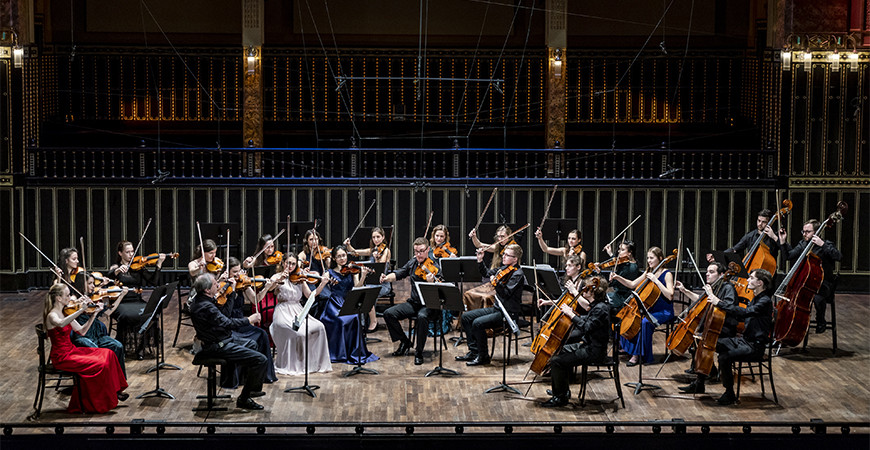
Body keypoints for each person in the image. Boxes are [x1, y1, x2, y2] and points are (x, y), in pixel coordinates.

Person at [42, 283, 128, 413]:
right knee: (100, 363)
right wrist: (80, 310)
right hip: (62, 357)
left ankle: (115, 391)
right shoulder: (52, 315)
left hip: (72, 351)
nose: (70, 297)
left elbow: (82, 331)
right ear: (59, 298)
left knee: (108, 354)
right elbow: (61, 324)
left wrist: (93, 314)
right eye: (68, 295)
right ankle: (97, 402)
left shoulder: (66, 312)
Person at [189, 273, 268, 411]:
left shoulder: (203, 300)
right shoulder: (205, 306)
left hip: (223, 339)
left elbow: (224, 315)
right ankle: (243, 399)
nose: (219, 285)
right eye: (215, 284)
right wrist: (249, 320)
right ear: (207, 290)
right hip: (217, 346)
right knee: (261, 360)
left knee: (253, 344)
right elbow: (227, 322)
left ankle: (251, 388)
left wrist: (231, 294)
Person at [705, 269, 774, 405]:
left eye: (751, 278)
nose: (747, 280)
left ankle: (729, 393)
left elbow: (746, 313)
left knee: (724, 357)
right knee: (711, 342)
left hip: (755, 346)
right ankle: (702, 380)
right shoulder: (756, 297)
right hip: (744, 341)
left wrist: (719, 302)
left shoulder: (765, 301)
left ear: (759, 283)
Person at [540, 276, 612, 407]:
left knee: (557, 361)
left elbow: (586, 328)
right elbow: (588, 319)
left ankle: (560, 398)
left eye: (586, 288)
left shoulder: (600, 309)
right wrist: (574, 314)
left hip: (594, 351)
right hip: (587, 346)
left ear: (593, 292)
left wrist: (571, 315)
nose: (583, 290)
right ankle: (561, 391)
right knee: (557, 351)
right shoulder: (597, 306)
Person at [456, 244, 526, 366]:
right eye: (504, 254)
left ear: (515, 259)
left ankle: (483, 356)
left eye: (507, 255)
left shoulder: (518, 274)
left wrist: (496, 283)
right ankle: (474, 352)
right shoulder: (504, 268)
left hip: (508, 313)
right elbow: (486, 273)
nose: (503, 256)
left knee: (477, 323)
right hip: (497, 309)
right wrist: (480, 261)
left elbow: (506, 293)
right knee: (466, 317)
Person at [674, 262, 739, 393]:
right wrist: (684, 290)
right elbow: (700, 301)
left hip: (724, 327)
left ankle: (701, 381)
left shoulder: (728, 288)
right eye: (707, 271)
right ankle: (707, 374)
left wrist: (714, 297)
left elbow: (731, 307)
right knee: (694, 338)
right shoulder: (714, 286)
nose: (707, 274)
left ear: (721, 275)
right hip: (713, 326)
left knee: (702, 342)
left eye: (711, 272)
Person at [267, 254, 333, 375]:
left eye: (293, 263)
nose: (290, 266)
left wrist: (322, 284)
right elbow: (270, 289)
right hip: (282, 311)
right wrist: (279, 280)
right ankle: (295, 364)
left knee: (320, 327)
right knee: (299, 332)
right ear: (283, 263)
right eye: (288, 263)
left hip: (298, 310)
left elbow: (310, 295)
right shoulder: (277, 276)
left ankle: (312, 363)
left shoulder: (299, 278)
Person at [217, 257, 277, 388]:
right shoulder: (221, 286)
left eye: (239, 271)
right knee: (251, 339)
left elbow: (256, 299)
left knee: (262, 334)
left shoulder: (242, 285)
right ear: (227, 272)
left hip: (241, 322)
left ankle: (262, 375)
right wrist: (223, 284)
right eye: (234, 272)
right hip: (229, 325)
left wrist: (266, 288)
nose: (238, 275)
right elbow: (221, 313)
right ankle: (238, 378)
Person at [380, 237, 442, 366]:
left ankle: (419, 352)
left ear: (428, 250)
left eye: (421, 251)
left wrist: (432, 283)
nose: (418, 255)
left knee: (422, 316)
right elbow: (399, 274)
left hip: (430, 306)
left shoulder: (435, 266)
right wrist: (386, 278)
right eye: (416, 251)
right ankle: (404, 341)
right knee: (388, 313)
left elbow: (441, 289)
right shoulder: (413, 263)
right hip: (414, 303)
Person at [609, 247, 675, 366]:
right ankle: (630, 350)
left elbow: (670, 295)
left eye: (652, 258)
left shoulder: (667, 274)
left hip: (663, 311)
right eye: (648, 258)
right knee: (625, 319)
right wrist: (617, 277)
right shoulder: (649, 272)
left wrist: (656, 281)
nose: (649, 260)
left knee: (644, 322)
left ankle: (639, 355)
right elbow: (632, 284)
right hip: (649, 309)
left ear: (660, 258)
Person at [778, 219, 842, 333]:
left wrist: (822, 244)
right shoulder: (803, 244)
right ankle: (794, 324)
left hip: (824, 284)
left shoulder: (826, 244)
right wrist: (783, 242)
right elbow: (788, 256)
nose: (804, 234)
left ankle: (820, 320)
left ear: (817, 232)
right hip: (806, 284)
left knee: (817, 296)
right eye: (803, 231)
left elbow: (839, 257)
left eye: (808, 231)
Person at [318, 245, 378, 364]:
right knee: (340, 321)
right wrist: (325, 280)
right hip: (334, 304)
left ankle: (354, 352)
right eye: (339, 256)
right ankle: (339, 353)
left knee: (354, 318)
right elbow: (322, 286)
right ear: (334, 259)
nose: (342, 258)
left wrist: (364, 275)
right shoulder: (329, 272)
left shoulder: (353, 271)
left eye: (344, 255)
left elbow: (357, 287)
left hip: (348, 302)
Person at [109, 240, 167, 359]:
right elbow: (110, 274)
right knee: (127, 316)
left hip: (136, 300)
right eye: (127, 252)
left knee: (153, 313)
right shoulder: (116, 267)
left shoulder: (138, 267)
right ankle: (122, 347)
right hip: (121, 302)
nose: (131, 254)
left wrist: (159, 264)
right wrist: (118, 271)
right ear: (120, 253)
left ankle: (141, 348)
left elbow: (154, 282)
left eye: (132, 251)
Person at [71, 275, 129, 376]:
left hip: (96, 334)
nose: (93, 286)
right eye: (89, 283)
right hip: (83, 337)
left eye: (93, 283)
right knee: (98, 351)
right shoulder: (74, 299)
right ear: (81, 284)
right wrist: (80, 305)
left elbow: (108, 313)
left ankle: (118, 384)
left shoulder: (94, 297)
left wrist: (121, 296)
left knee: (118, 346)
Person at [344, 226, 392, 332]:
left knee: (368, 293)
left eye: (378, 237)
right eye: (374, 237)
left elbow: (381, 268)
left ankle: (373, 321)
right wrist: (348, 245)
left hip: (383, 284)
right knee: (362, 291)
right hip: (372, 283)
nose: (376, 239)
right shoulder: (372, 250)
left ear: (383, 237)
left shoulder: (386, 251)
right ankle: (361, 323)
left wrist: (375, 258)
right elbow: (355, 252)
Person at [537, 254, 586, 345]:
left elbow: (587, 306)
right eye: (566, 265)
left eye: (570, 266)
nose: (566, 268)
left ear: (578, 267)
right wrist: (546, 302)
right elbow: (566, 301)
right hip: (568, 319)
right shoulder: (570, 282)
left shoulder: (583, 283)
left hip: (579, 321)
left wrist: (574, 291)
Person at [707, 208, 779, 263]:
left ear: (770, 222)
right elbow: (735, 249)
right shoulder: (750, 236)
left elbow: (785, 250)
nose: (760, 224)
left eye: (764, 222)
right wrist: (717, 256)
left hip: (768, 272)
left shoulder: (774, 236)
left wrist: (773, 236)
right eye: (759, 220)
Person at [597, 240, 641, 312]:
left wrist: (600, 273)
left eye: (622, 250)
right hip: (618, 293)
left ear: (630, 253)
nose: (618, 251)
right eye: (619, 249)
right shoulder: (628, 263)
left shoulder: (630, 268)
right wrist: (610, 253)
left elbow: (612, 283)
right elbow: (617, 262)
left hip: (621, 298)